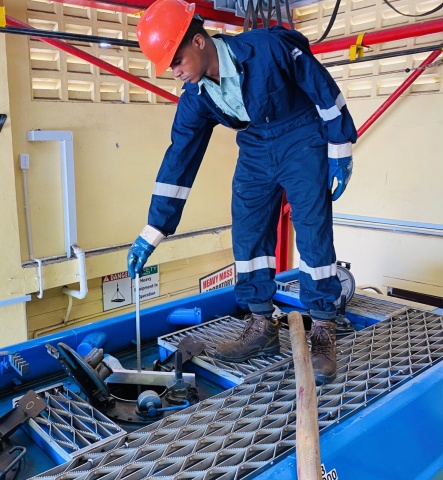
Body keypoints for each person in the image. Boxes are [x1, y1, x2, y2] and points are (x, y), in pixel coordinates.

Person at [127, 0, 358, 385]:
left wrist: (340, 147)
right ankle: (261, 327)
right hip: (255, 145)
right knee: (248, 231)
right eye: (169, 67)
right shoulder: (198, 97)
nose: (176, 72)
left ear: (199, 41)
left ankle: (321, 330)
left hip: (300, 134)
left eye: (177, 60)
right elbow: (178, 161)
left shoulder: (267, 48)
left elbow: (321, 86)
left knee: (312, 229)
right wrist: (153, 231)